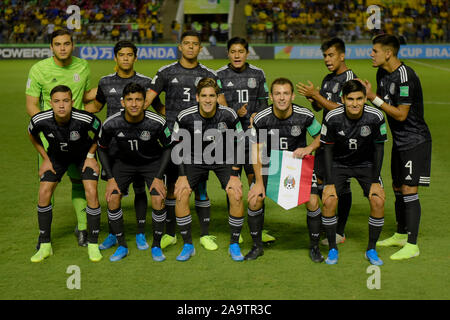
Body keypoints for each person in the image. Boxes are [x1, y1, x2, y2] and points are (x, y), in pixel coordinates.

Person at [146, 31, 227, 252]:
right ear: (180, 47)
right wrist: (162, 112)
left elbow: (222, 105)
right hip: (172, 138)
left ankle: (205, 235)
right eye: (187, 44)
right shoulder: (166, 72)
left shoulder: (208, 74)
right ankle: (171, 235)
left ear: (200, 48)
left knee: (200, 188)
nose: (191, 47)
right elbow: (148, 100)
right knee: (174, 186)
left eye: (195, 44)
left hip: (202, 139)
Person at [85, 40, 164, 252]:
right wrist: (75, 108)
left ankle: (140, 233)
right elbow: (97, 106)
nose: (126, 58)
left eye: (130, 55)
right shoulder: (105, 81)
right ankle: (113, 234)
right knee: (113, 192)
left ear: (135, 58)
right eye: (122, 55)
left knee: (140, 189)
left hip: (141, 143)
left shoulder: (146, 82)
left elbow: (159, 109)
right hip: (113, 145)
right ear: (115, 58)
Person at [360, 34, 432, 260]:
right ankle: (401, 233)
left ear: (388, 53)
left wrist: (372, 97)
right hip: (399, 141)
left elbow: (401, 114)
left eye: (375, 50)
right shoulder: (382, 73)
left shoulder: (405, 76)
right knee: (398, 188)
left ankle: (412, 244)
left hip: (415, 140)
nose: (371, 54)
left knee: (410, 189)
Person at [26, 29, 97, 248]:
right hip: (51, 139)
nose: (63, 48)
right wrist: (48, 128)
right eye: (58, 44)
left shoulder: (82, 66)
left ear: (72, 45)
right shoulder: (39, 69)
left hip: (77, 136)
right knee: (48, 185)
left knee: (79, 182)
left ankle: (83, 228)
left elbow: (84, 98)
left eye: (67, 43)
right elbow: (32, 104)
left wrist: (106, 89)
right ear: (51, 47)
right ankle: (46, 235)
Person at [247, 78, 323, 262]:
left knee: (313, 201)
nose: (282, 98)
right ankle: (257, 247)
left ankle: (315, 247)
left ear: (292, 96)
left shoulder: (304, 115)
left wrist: (309, 148)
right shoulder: (261, 118)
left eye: (286, 94)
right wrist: (258, 182)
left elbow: (322, 135)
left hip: (297, 164)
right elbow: (255, 149)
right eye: (278, 94)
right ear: (271, 97)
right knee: (254, 199)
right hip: (271, 165)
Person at [97, 83, 173, 262]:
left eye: (138, 99)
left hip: (151, 163)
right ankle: (122, 244)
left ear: (144, 102)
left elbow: (169, 147)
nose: (133, 104)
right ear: (122, 102)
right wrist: (110, 178)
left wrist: (158, 177)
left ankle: (155, 245)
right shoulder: (112, 123)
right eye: (129, 100)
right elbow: (102, 148)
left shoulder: (157, 122)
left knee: (158, 198)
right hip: (124, 163)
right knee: (113, 197)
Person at [172, 78, 245, 262]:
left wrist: (235, 174)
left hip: (223, 158)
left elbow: (241, 143)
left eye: (212, 96)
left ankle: (234, 244)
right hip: (194, 158)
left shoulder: (228, 115)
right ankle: (188, 245)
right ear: (197, 97)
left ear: (217, 97)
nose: (208, 100)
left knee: (235, 193)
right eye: (203, 95)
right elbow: (176, 146)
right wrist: (181, 176)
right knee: (181, 193)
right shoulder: (184, 116)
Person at [28, 85, 102, 263]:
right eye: (57, 101)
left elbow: (100, 132)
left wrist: (91, 156)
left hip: (82, 156)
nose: (61, 105)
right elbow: (31, 134)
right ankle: (45, 245)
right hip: (56, 157)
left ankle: (93, 243)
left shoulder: (84, 118)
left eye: (66, 101)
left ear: (72, 102)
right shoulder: (40, 119)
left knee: (91, 191)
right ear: (50, 103)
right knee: (44, 192)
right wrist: (45, 158)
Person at [297, 38, 357, 245]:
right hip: (325, 138)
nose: (327, 60)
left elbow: (344, 110)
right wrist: (313, 99)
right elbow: (321, 109)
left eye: (331, 55)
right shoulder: (328, 78)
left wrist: (316, 95)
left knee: (342, 186)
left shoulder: (350, 79)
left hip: (344, 141)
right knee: (321, 181)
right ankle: (327, 222)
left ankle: (339, 230)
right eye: (325, 56)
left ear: (342, 56)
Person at [320, 80, 387, 265]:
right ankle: (333, 247)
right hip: (338, 163)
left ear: (366, 98)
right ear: (342, 99)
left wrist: (375, 181)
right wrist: (329, 183)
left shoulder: (376, 116)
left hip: (366, 164)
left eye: (359, 99)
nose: (355, 103)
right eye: (350, 99)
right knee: (328, 200)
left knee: (378, 200)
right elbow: (327, 149)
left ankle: (371, 249)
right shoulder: (332, 117)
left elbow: (379, 149)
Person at [216, 36, 275, 244]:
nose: (237, 55)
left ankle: (258, 229)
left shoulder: (258, 74)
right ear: (228, 54)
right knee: (233, 185)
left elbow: (265, 104)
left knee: (255, 183)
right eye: (233, 51)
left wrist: (253, 117)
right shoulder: (220, 75)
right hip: (230, 139)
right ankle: (237, 229)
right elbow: (220, 109)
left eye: (241, 51)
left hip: (253, 138)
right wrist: (236, 113)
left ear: (247, 53)